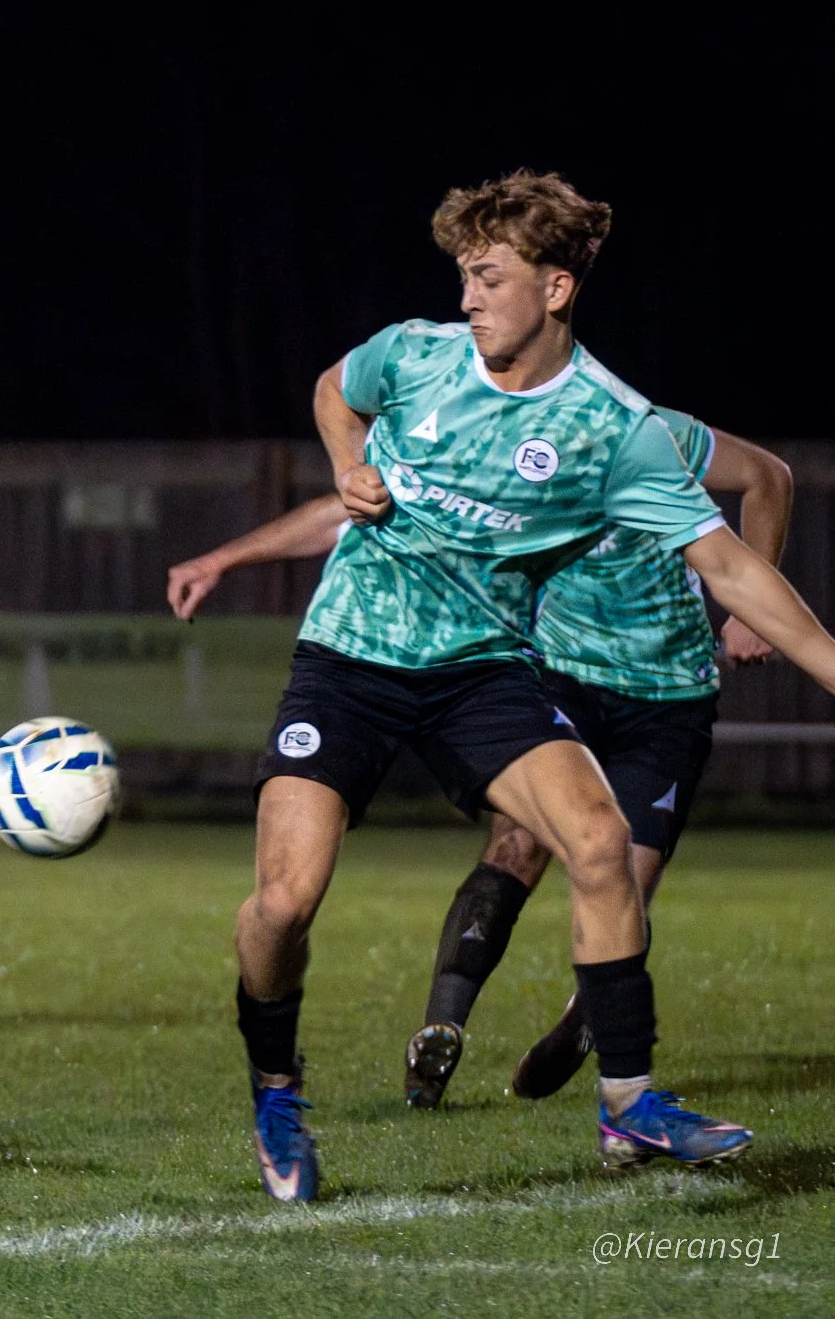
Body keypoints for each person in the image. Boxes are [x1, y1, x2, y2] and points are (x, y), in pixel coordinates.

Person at [234, 169, 835, 1203]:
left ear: (553, 290)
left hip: (480, 670)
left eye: (486, 277)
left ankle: (628, 1107)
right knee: (283, 906)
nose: (464, 298)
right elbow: (338, 385)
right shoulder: (416, 356)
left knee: (597, 843)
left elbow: (732, 568)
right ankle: (276, 1088)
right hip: (348, 658)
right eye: (461, 277)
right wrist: (343, 461)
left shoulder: (614, 429)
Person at [168, 413, 793, 1108]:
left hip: (667, 696)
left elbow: (766, 479)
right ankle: (443, 1025)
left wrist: (752, 614)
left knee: (621, 876)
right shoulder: (492, 438)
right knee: (515, 846)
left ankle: (592, 1038)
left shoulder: (647, 432)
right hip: (560, 677)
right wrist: (228, 554)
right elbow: (352, 493)